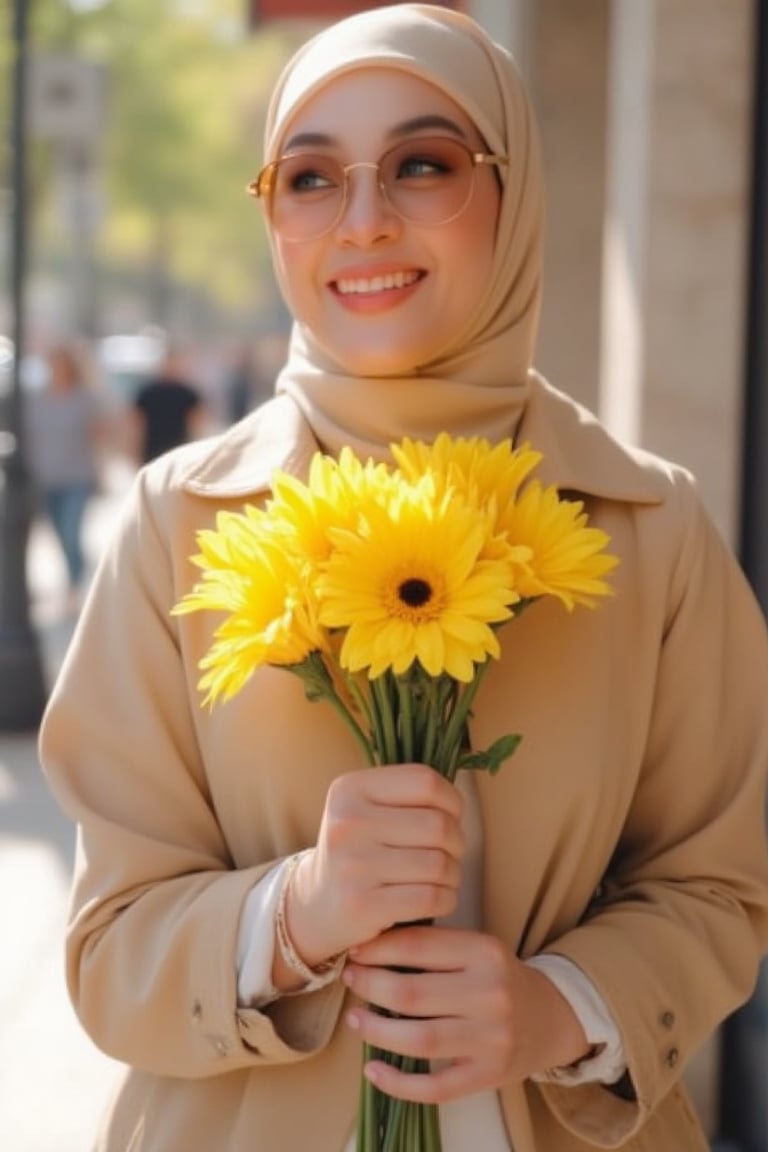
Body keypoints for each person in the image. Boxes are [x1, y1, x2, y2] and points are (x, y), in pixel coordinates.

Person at [39, 6, 768, 1151]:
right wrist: (295, 914)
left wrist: (563, 1011)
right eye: (310, 178)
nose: (364, 221)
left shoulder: (649, 527)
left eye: (424, 165)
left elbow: (719, 887)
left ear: (513, 193)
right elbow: (107, 950)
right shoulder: (181, 525)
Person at [24, 341, 106, 607]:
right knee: (57, 533)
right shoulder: (37, 399)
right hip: (45, 477)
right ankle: (74, 572)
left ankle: (75, 580)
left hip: (77, 476)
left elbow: (97, 437)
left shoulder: (85, 399)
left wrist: (100, 472)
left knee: (71, 531)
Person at [130, 342, 206, 463]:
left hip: (180, 451)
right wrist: (134, 450)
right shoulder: (148, 393)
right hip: (153, 451)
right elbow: (137, 424)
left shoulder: (187, 393)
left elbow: (196, 424)